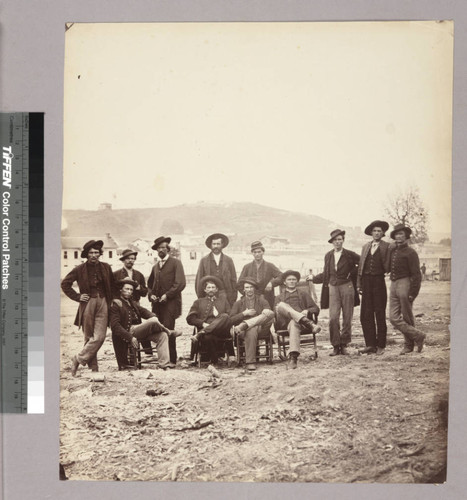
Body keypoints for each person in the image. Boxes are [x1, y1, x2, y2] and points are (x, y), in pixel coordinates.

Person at [61, 239, 115, 376]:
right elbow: (65, 284)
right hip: (88, 303)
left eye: (96, 252)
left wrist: (114, 300)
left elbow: (113, 286)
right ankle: (94, 367)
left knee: (100, 336)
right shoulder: (79, 269)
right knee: (89, 336)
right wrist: (78, 297)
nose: (94, 255)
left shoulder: (106, 267)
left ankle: (77, 358)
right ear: (86, 254)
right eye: (91, 252)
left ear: (100, 254)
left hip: (103, 302)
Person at [309, 229, 360, 356]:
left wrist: (351, 273)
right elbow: (327, 273)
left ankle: (344, 345)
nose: (338, 242)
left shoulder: (349, 254)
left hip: (347, 286)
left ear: (343, 240)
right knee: (333, 318)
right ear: (332, 242)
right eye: (335, 240)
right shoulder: (328, 255)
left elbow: (361, 264)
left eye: (340, 239)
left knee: (347, 317)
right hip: (333, 287)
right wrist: (313, 278)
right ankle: (336, 345)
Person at [110, 277, 171, 370]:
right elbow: (115, 326)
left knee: (162, 335)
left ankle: (164, 364)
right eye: (127, 289)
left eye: (131, 290)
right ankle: (169, 331)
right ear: (120, 289)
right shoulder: (116, 304)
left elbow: (144, 311)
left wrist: (152, 315)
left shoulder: (132, 303)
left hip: (139, 331)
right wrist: (130, 337)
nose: (129, 291)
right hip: (129, 331)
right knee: (153, 321)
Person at [147, 236, 186, 366]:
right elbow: (150, 285)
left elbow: (180, 283)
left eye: (163, 247)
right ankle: (163, 359)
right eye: (158, 248)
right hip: (157, 306)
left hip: (171, 304)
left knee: (169, 329)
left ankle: (172, 360)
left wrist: (168, 295)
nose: (161, 250)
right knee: (159, 331)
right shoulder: (155, 267)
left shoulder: (176, 263)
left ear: (168, 249)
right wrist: (151, 295)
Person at [388, 224, 426, 354]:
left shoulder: (411, 252)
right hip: (393, 284)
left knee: (407, 317)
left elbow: (416, 274)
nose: (399, 236)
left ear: (406, 237)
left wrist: (413, 293)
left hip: (405, 284)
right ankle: (418, 335)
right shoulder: (393, 250)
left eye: (401, 234)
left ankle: (408, 346)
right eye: (396, 234)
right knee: (393, 317)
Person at [356, 220, 391, 355]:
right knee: (366, 314)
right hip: (366, 282)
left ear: (383, 233)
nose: (377, 233)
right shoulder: (365, 246)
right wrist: (359, 284)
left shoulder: (388, 246)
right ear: (371, 233)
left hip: (378, 282)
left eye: (379, 231)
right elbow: (361, 266)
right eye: (375, 231)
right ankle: (370, 344)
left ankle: (381, 345)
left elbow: (391, 263)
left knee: (380, 313)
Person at [274, 270, 321, 368]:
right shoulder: (279, 297)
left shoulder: (303, 294)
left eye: (294, 279)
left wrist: (307, 311)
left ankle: (293, 358)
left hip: (300, 325)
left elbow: (315, 308)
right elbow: (276, 312)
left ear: (297, 282)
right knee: (281, 305)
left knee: (294, 322)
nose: (291, 281)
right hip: (284, 323)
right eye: (289, 279)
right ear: (284, 282)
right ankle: (307, 322)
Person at [230, 277, 275, 371]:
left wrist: (264, 313)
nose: (249, 289)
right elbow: (231, 320)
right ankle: (250, 362)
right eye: (247, 287)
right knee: (251, 329)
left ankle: (247, 324)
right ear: (243, 289)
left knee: (270, 313)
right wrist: (244, 314)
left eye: (251, 287)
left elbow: (269, 314)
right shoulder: (238, 303)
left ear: (254, 289)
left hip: (261, 328)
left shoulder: (262, 300)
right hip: (242, 331)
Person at [186, 276, 233, 366]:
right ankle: (214, 360)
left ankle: (200, 334)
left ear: (216, 289)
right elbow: (190, 318)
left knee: (225, 316)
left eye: (213, 287)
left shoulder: (223, 301)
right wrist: (202, 323)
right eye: (208, 287)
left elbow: (229, 317)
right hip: (207, 332)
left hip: (221, 330)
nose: (211, 289)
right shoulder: (198, 302)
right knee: (208, 337)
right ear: (205, 290)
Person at [113, 248, 152, 355]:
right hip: (122, 305)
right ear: (123, 260)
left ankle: (147, 352)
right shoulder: (116, 274)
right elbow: (112, 290)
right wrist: (116, 300)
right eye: (128, 259)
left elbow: (145, 292)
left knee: (139, 327)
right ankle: (129, 355)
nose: (131, 261)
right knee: (125, 328)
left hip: (135, 304)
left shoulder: (139, 274)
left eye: (133, 259)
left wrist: (139, 287)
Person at [195, 233, 237, 306]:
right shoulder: (204, 260)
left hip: (225, 295)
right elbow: (199, 280)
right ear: (211, 245)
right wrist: (200, 297)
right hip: (209, 294)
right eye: (214, 244)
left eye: (218, 244)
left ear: (222, 245)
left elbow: (233, 279)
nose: (216, 246)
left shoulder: (228, 260)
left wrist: (233, 297)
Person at [237, 240, 282, 308]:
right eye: (255, 252)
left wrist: (272, 283)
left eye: (259, 252)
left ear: (263, 252)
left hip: (267, 298)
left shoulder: (270, 266)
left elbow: (282, 276)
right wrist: (246, 294)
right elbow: (240, 283)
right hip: (251, 299)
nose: (257, 254)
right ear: (252, 253)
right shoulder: (247, 267)